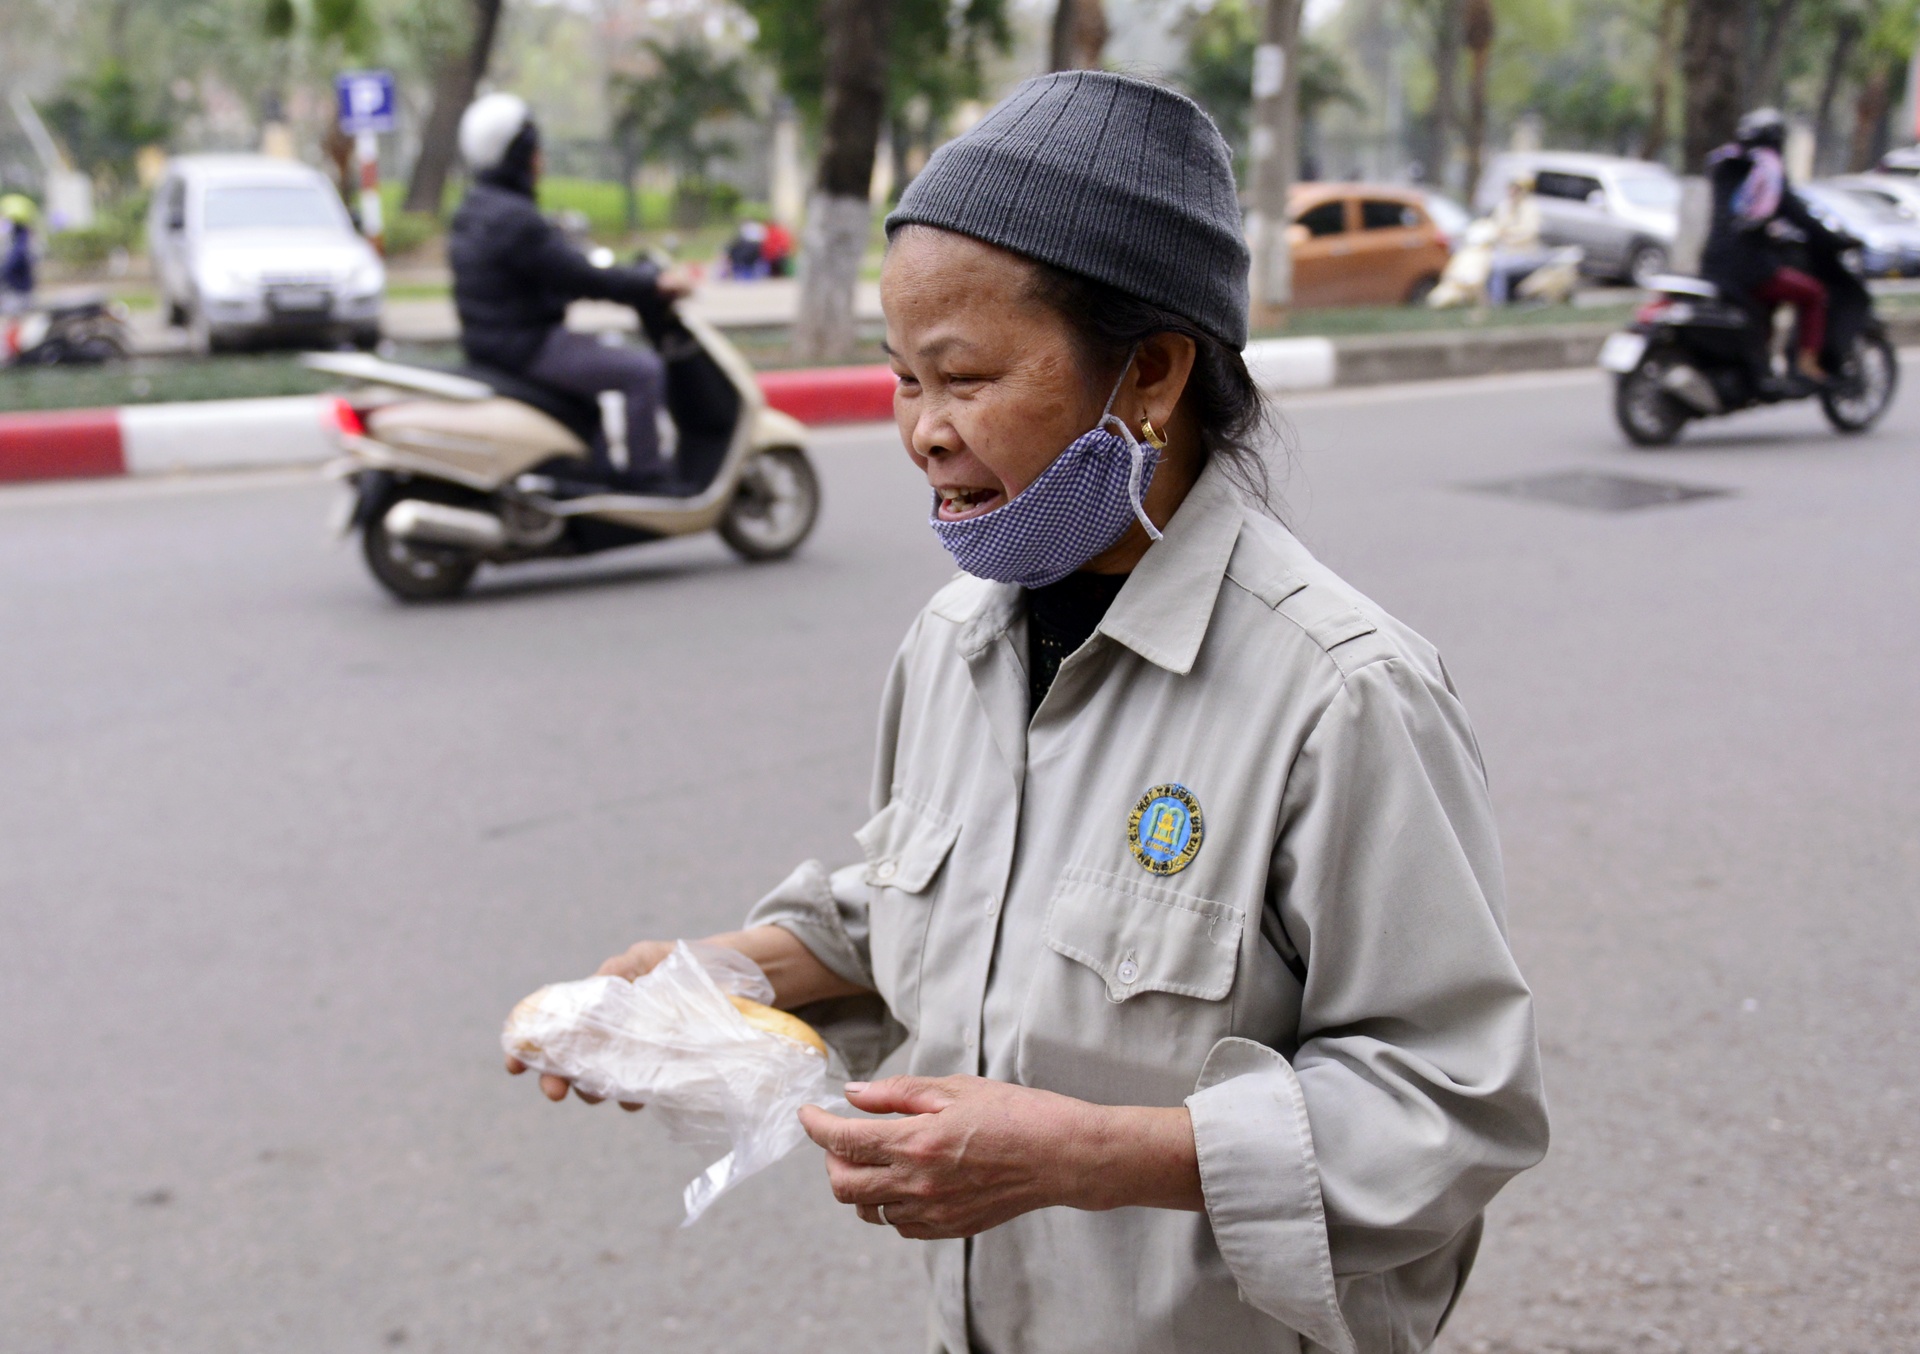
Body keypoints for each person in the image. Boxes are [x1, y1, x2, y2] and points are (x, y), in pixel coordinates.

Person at [507, 72, 1548, 1354]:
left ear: (1153, 372)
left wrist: (1090, 1155)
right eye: (901, 382)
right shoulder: (952, 642)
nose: (924, 435)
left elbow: (1453, 1106)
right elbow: (916, 906)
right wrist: (703, 979)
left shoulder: (1340, 692)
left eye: (964, 377)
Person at [448, 93, 689, 487]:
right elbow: (581, 277)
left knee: (588, 394)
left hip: (494, 343)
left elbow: (548, 273)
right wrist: (652, 284)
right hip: (527, 345)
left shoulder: (477, 208)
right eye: (534, 150)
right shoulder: (514, 219)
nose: (540, 159)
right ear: (518, 154)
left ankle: (596, 477)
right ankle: (648, 478)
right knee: (643, 372)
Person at [1703, 107, 1830, 384]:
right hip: (1748, 270)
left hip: (1710, 265)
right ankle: (1806, 364)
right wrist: (1832, 240)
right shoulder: (1767, 170)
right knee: (1814, 293)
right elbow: (1797, 215)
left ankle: (1762, 362)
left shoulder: (1722, 163)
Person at [1484, 172, 1550, 306]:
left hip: (1525, 253)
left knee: (1498, 268)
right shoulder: (1504, 206)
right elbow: (1495, 226)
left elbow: (1529, 232)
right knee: (1484, 263)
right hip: (1503, 250)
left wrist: (1508, 235)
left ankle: (1498, 303)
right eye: (1511, 188)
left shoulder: (1530, 208)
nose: (1513, 192)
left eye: (1517, 189)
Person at [1, 194, 36, 315]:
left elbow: (14, 262)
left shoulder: (20, 240)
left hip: (17, 292)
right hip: (19, 289)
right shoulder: (19, 237)